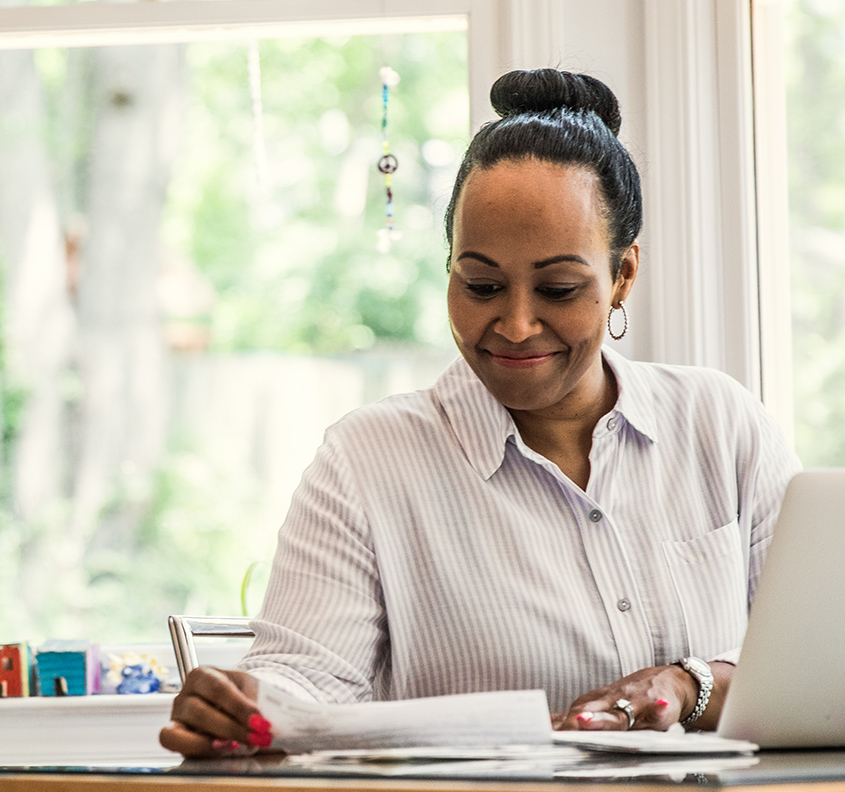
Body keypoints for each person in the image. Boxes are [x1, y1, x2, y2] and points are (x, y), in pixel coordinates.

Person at [158, 68, 800, 758]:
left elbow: (816, 657)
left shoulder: (722, 425)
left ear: (622, 276)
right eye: (481, 284)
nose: (516, 325)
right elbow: (307, 683)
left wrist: (686, 685)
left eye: (557, 288)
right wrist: (249, 709)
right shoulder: (366, 462)